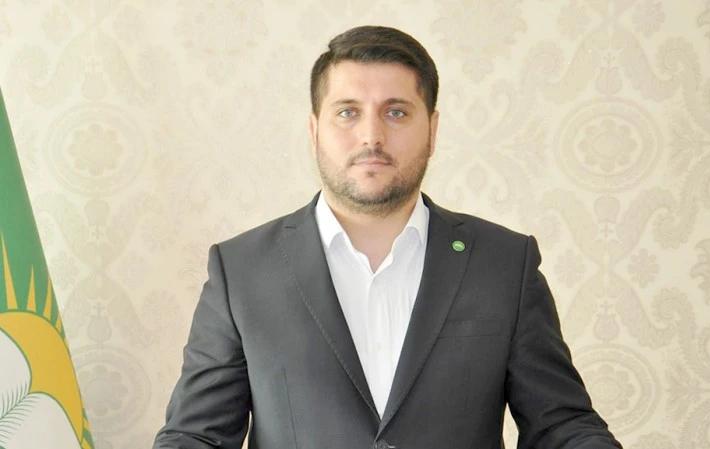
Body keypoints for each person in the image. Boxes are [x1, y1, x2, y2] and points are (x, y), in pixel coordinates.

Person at [153, 25, 622, 449]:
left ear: (432, 130)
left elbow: (561, 426)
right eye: (347, 112)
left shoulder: (503, 263)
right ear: (314, 131)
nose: (371, 136)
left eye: (396, 112)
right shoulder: (241, 271)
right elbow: (196, 436)